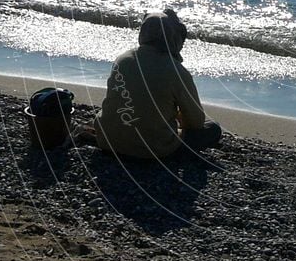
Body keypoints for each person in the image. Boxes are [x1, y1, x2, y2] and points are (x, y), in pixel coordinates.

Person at [94, 8, 222, 159]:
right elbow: (196, 122)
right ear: (174, 37)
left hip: (107, 141)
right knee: (213, 128)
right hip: (152, 150)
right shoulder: (177, 71)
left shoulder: (123, 59)